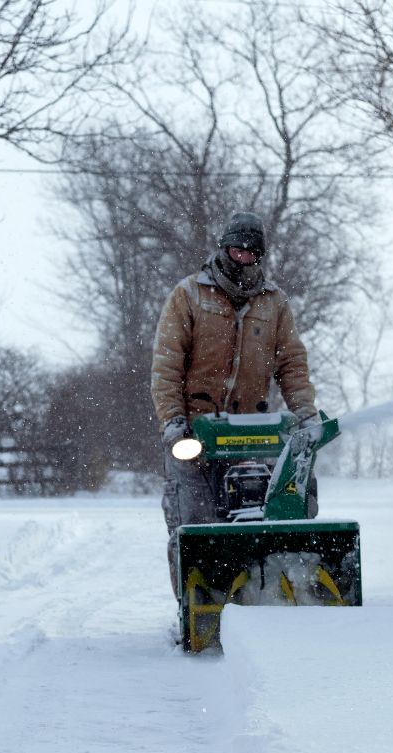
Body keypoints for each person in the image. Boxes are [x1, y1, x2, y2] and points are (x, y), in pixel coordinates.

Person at [150, 212, 320, 584]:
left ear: (260, 256)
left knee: (288, 499)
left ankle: (277, 583)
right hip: (195, 433)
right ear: (224, 248)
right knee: (194, 521)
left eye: (250, 252)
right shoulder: (189, 295)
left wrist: (306, 415)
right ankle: (200, 593)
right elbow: (166, 366)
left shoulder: (273, 303)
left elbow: (291, 364)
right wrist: (174, 422)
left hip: (251, 432)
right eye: (236, 250)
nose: (243, 257)